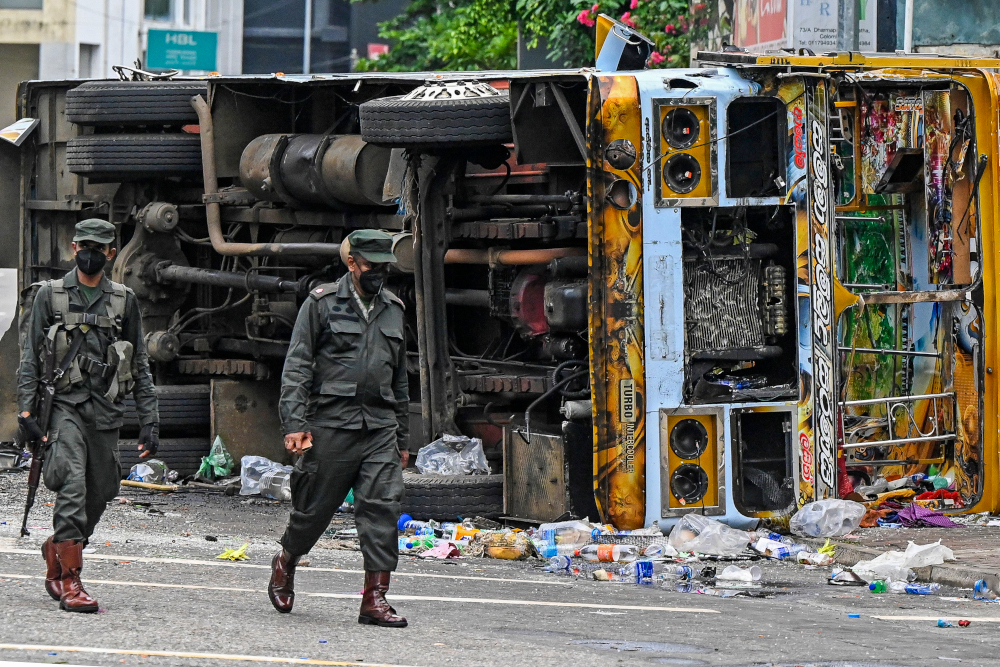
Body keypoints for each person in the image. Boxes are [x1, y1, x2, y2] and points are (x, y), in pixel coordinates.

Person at [17, 219, 159, 613]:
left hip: (106, 409)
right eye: (84, 245)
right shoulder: (50, 295)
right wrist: (26, 410)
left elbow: (141, 362)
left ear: (111, 254)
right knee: (73, 485)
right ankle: (70, 579)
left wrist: (150, 418)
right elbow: (30, 356)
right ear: (74, 247)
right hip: (63, 406)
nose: (90, 253)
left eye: (99, 247)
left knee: (103, 489)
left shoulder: (123, 300)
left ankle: (59, 548)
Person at [269, 229, 409, 628]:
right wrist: (294, 423)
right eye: (371, 267)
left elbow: (400, 378)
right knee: (314, 509)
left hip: (379, 427)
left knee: (382, 507)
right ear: (352, 263)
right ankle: (286, 560)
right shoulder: (322, 304)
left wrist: (402, 437)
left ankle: (375, 599)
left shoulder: (394, 309)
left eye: (384, 267)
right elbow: (296, 366)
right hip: (331, 424)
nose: (378, 274)